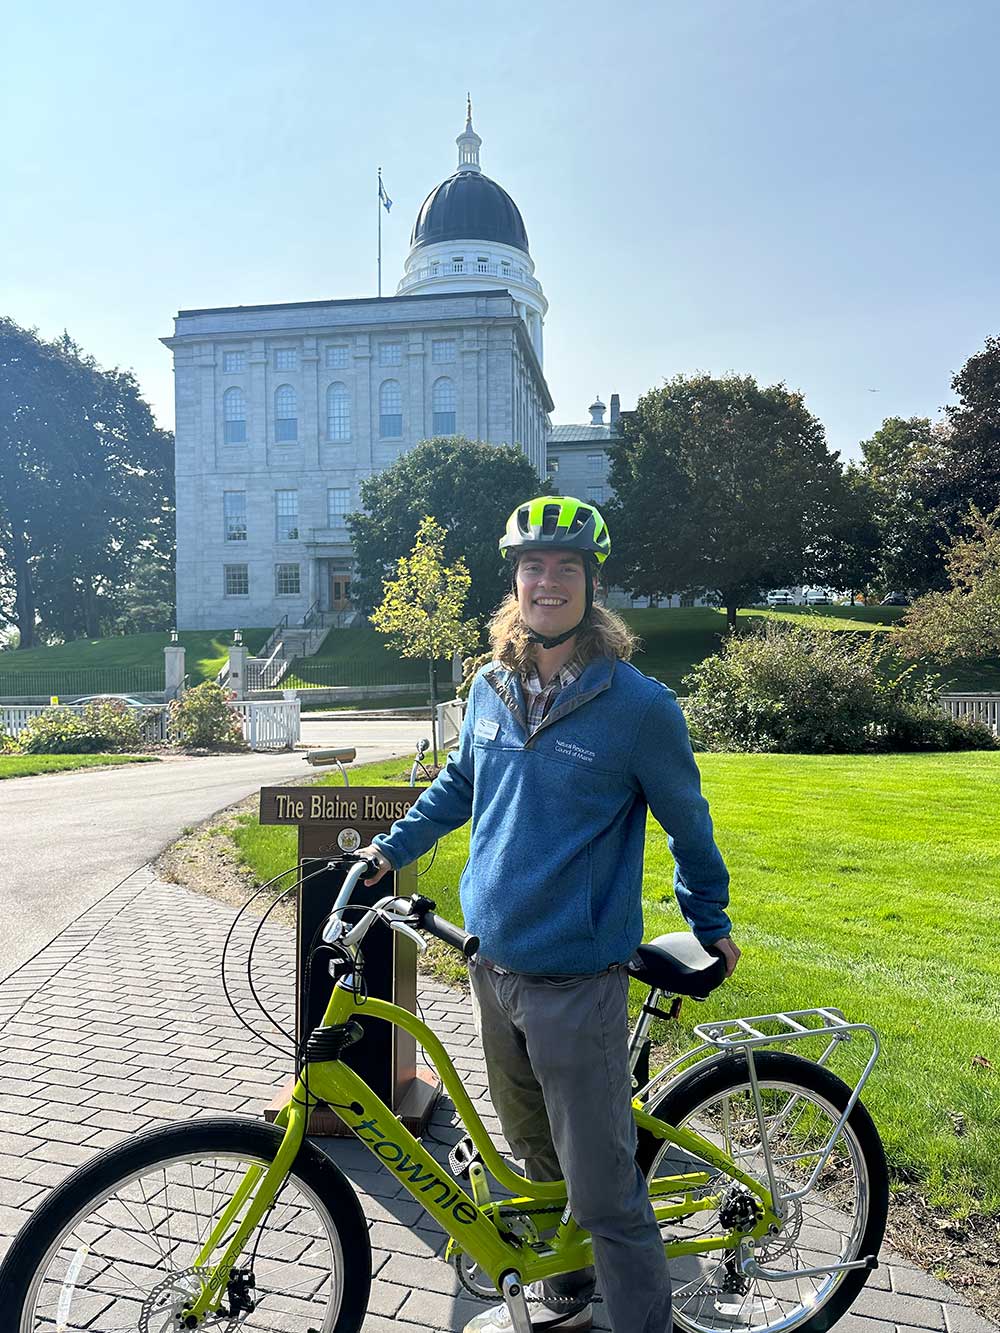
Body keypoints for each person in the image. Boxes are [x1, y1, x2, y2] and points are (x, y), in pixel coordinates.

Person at [359, 496, 739, 1333]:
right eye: (535, 565)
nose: (549, 580)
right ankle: (567, 1279)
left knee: (608, 1193)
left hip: (577, 979)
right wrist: (386, 849)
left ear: (591, 585)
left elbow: (688, 820)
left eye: (568, 566)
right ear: (515, 581)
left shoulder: (639, 707)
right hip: (491, 964)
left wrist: (708, 916)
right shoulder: (490, 686)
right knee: (534, 1150)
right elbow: (460, 784)